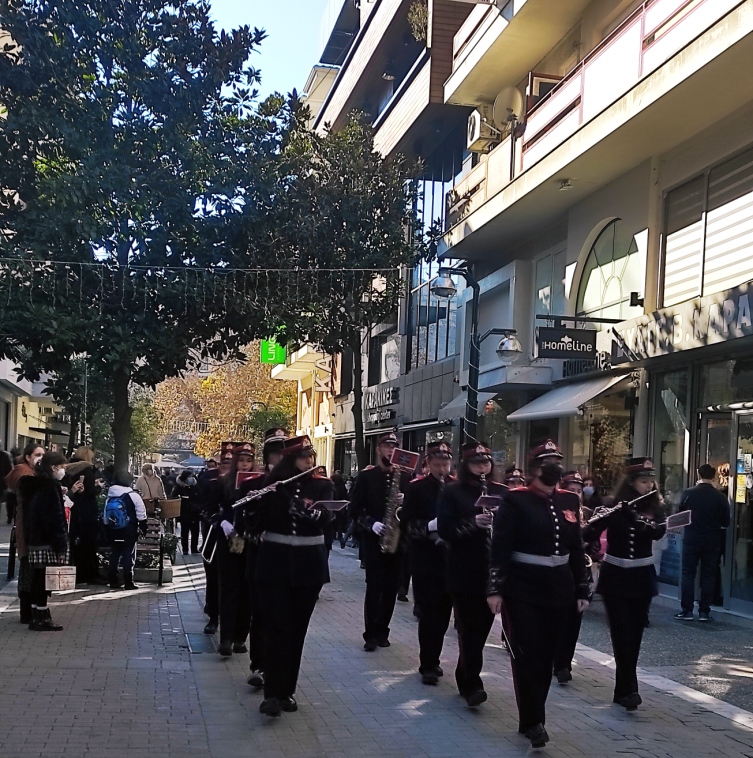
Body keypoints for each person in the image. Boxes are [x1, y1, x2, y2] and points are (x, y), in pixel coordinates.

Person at [487, 439, 590, 749]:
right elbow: (500, 546)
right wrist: (495, 588)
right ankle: (535, 722)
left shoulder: (569, 500)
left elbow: (576, 548)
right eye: (547, 462)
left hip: (559, 587)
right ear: (534, 468)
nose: (554, 466)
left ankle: (530, 716)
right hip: (523, 588)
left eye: (557, 461)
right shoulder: (516, 499)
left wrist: (582, 587)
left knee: (547, 656)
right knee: (528, 654)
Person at [255, 435, 333, 717]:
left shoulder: (323, 485)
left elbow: (324, 518)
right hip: (274, 565)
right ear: (290, 460)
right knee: (277, 628)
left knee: (297, 631)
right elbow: (256, 523)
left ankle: (287, 691)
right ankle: (272, 694)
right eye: (303, 457)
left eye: (311, 456)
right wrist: (258, 501)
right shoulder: (271, 485)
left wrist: (299, 505)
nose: (309, 461)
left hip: (309, 567)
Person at [582, 457, 665, 713]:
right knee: (621, 633)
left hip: (641, 577)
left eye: (651, 481)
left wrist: (634, 517)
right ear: (631, 482)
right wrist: (590, 528)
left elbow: (657, 532)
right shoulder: (612, 505)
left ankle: (624, 689)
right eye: (643, 481)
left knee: (635, 634)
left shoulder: (656, 507)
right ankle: (630, 689)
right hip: (615, 577)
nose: (649, 485)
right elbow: (590, 534)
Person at [438, 442, 508, 708]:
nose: (482, 468)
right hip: (464, 570)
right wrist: (472, 523)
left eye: (486, 463)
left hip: (492, 571)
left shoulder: (502, 491)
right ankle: (472, 684)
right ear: (466, 465)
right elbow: (445, 530)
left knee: (482, 630)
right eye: (477, 463)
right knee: (469, 630)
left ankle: (464, 672)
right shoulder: (453, 492)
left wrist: (500, 520)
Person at [349, 430, 412, 651]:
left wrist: (406, 501)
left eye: (394, 447)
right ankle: (370, 634)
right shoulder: (367, 477)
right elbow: (354, 509)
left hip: (397, 539)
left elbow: (415, 511)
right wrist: (371, 524)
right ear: (378, 449)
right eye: (387, 446)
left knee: (392, 587)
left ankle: (383, 630)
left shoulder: (406, 478)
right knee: (374, 586)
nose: (391, 450)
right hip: (374, 540)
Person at [238, 428, 287, 689]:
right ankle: (258, 665)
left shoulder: (297, 485)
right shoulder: (253, 484)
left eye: (284, 453)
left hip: (287, 561)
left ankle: (278, 669)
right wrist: (253, 514)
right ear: (268, 456)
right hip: (260, 559)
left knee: (282, 618)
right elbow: (243, 523)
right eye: (276, 453)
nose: (280, 458)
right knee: (260, 614)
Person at [402, 440, 453, 686]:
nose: (442, 469)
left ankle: (435, 657)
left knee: (443, 615)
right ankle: (428, 663)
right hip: (425, 560)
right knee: (429, 614)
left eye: (446, 464)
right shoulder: (417, 488)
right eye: (437, 464)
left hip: (450, 561)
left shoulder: (456, 487)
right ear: (428, 464)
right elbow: (407, 525)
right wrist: (430, 526)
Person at [18, 451, 80, 631]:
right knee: (44, 580)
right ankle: (42, 616)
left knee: (38, 577)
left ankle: (36, 614)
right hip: (47, 541)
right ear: (53, 467)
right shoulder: (50, 487)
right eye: (62, 467)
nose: (63, 471)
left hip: (35, 539)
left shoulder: (33, 485)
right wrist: (61, 545)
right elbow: (54, 518)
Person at [215, 442, 257, 657]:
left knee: (247, 591)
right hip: (229, 541)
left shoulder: (259, 482)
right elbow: (213, 509)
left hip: (250, 541)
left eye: (249, 461)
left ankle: (241, 637)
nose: (245, 465)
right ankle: (226, 638)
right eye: (241, 461)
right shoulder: (224, 483)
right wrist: (223, 522)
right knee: (230, 590)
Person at [674, 463, 730, 621]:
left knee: (688, 573)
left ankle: (687, 610)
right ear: (713, 477)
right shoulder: (720, 497)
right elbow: (726, 522)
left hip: (691, 538)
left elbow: (680, 516)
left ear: (699, 475)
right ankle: (704, 611)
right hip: (712, 540)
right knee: (709, 575)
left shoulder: (688, 493)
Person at [552, 470, 593, 684]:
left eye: (579, 491)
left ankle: (565, 663)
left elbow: (596, 542)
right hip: (561, 570)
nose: (576, 494)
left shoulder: (588, 513)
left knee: (575, 619)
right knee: (559, 619)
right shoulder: (555, 511)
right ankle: (556, 662)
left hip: (580, 570)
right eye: (572, 490)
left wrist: (590, 538)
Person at [4, 443, 45, 623]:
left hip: (28, 522)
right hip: (28, 524)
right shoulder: (24, 474)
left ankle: (28, 610)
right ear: (28, 457)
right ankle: (27, 611)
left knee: (29, 568)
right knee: (28, 567)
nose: (41, 458)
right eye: (37, 454)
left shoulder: (26, 472)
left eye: (43, 454)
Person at [66, 446, 104, 585]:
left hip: (73, 508)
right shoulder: (87, 469)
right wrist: (98, 486)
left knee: (77, 544)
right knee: (89, 543)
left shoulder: (69, 468)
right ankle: (91, 574)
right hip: (87, 511)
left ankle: (79, 574)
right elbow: (91, 491)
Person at [104, 471, 148, 589]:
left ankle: (113, 580)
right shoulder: (133, 496)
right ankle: (128, 582)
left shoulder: (110, 496)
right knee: (128, 556)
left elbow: (105, 517)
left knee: (114, 555)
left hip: (113, 531)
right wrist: (143, 528)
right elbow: (141, 514)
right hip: (129, 531)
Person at [173, 468, 202, 554]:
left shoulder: (195, 486)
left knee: (195, 531)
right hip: (184, 512)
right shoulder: (179, 487)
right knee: (184, 532)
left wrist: (198, 506)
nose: (191, 478)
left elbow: (200, 497)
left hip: (195, 512)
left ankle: (194, 548)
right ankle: (185, 549)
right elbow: (173, 497)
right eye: (189, 477)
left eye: (191, 476)